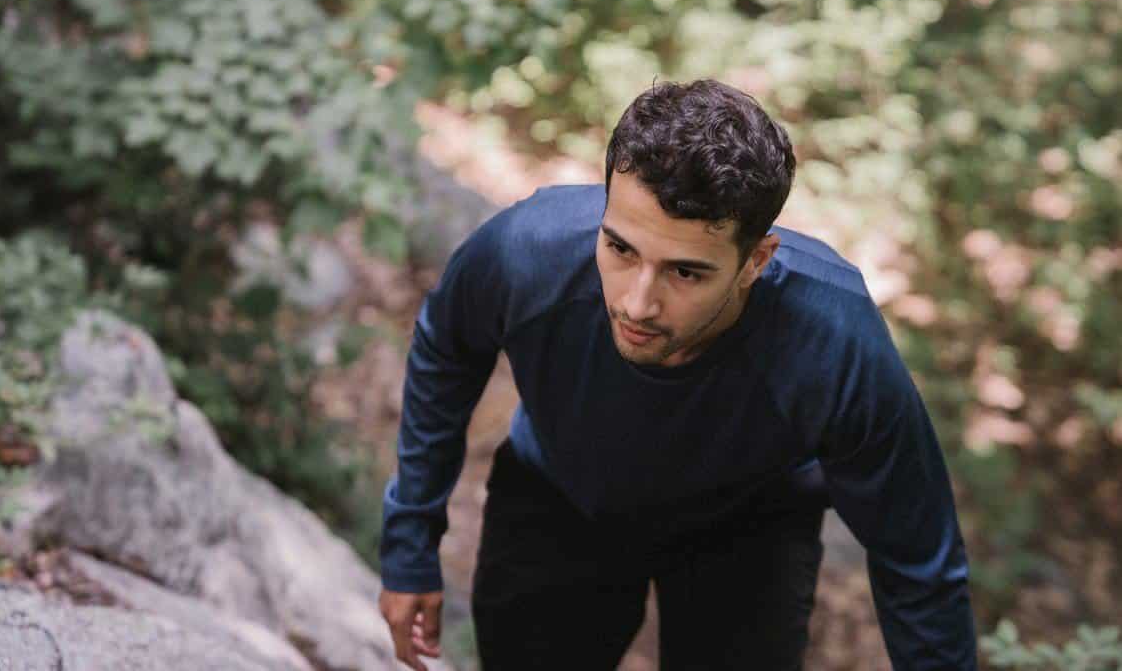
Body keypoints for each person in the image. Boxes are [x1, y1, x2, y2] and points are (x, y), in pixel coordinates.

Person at [378, 79, 978, 670]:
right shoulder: (528, 252)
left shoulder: (833, 343)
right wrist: (410, 544)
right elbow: (446, 348)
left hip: (747, 534)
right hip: (559, 499)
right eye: (620, 249)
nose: (638, 304)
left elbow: (918, 557)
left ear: (756, 262)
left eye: (685, 273)